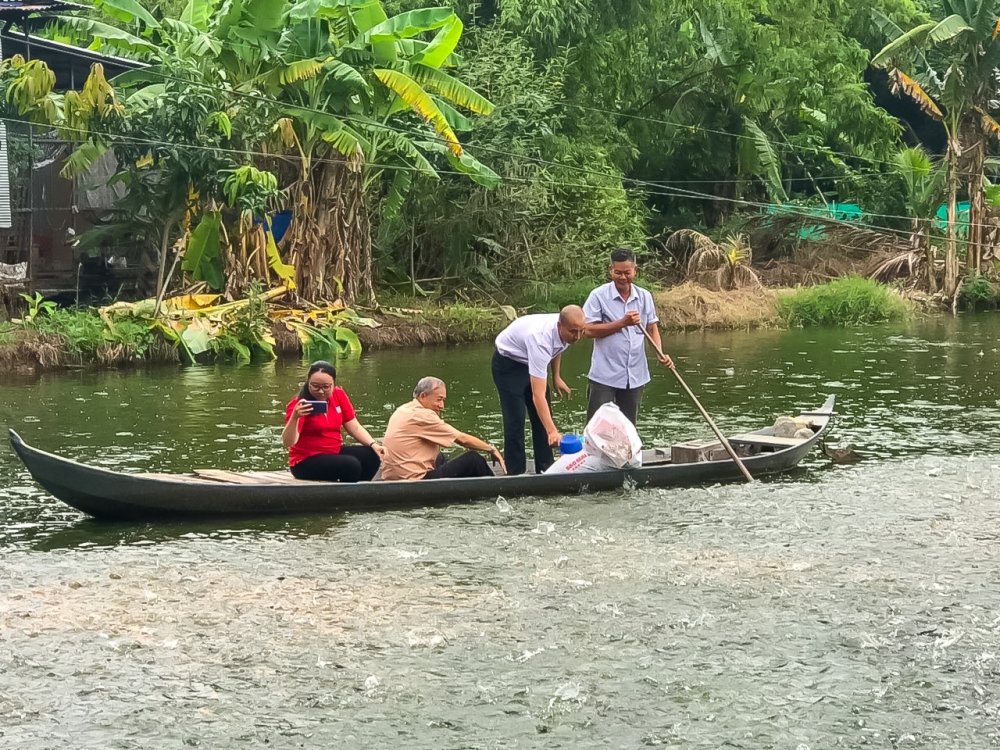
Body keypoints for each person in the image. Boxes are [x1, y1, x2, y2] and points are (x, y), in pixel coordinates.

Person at [492, 305, 587, 475]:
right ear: (560, 326)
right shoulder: (540, 339)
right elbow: (538, 396)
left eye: (582, 331)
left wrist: (556, 376)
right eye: (574, 332)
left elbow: (558, 347)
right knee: (516, 419)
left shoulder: (568, 330)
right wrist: (553, 431)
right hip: (509, 364)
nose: (578, 336)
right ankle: (515, 473)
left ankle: (546, 469)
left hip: (531, 359)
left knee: (543, 418)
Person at [583, 248, 674, 425]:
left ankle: (626, 454)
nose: (622, 277)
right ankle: (594, 454)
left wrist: (660, 353)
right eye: (617, 272)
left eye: (627, 272)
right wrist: (622, 323)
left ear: (635, 271)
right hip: (605, 375)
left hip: (635, 375)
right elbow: (587, 330)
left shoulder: (644, 296)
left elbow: (652, 328)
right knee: (597, 426)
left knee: (627, 427)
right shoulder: (599, 296)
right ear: (611, 270)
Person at [381, 377, 507, 480]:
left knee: (440, 456)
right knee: (473, 459)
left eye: (443, 400)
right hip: (415, 480)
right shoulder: (423, 415)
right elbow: (462, 439)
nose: (442, 406)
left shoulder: (403, 409)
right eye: (439, 400)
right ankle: (498, 491)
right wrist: (491, 449)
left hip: (394, 476)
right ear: (423, 396)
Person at [282, 360, 384, 482]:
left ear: (333, 384)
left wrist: (373, 444)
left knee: (371, 456)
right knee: (351, 465)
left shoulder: (338, 395)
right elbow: (289, 442)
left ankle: (356, 492)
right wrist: (295, 417)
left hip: (333, 451)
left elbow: (353, 425)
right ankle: (345, 493)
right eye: (315, 386)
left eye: (326, 387)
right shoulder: (299, 405)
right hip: (305, 461)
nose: (320, 391)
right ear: (308, 383)